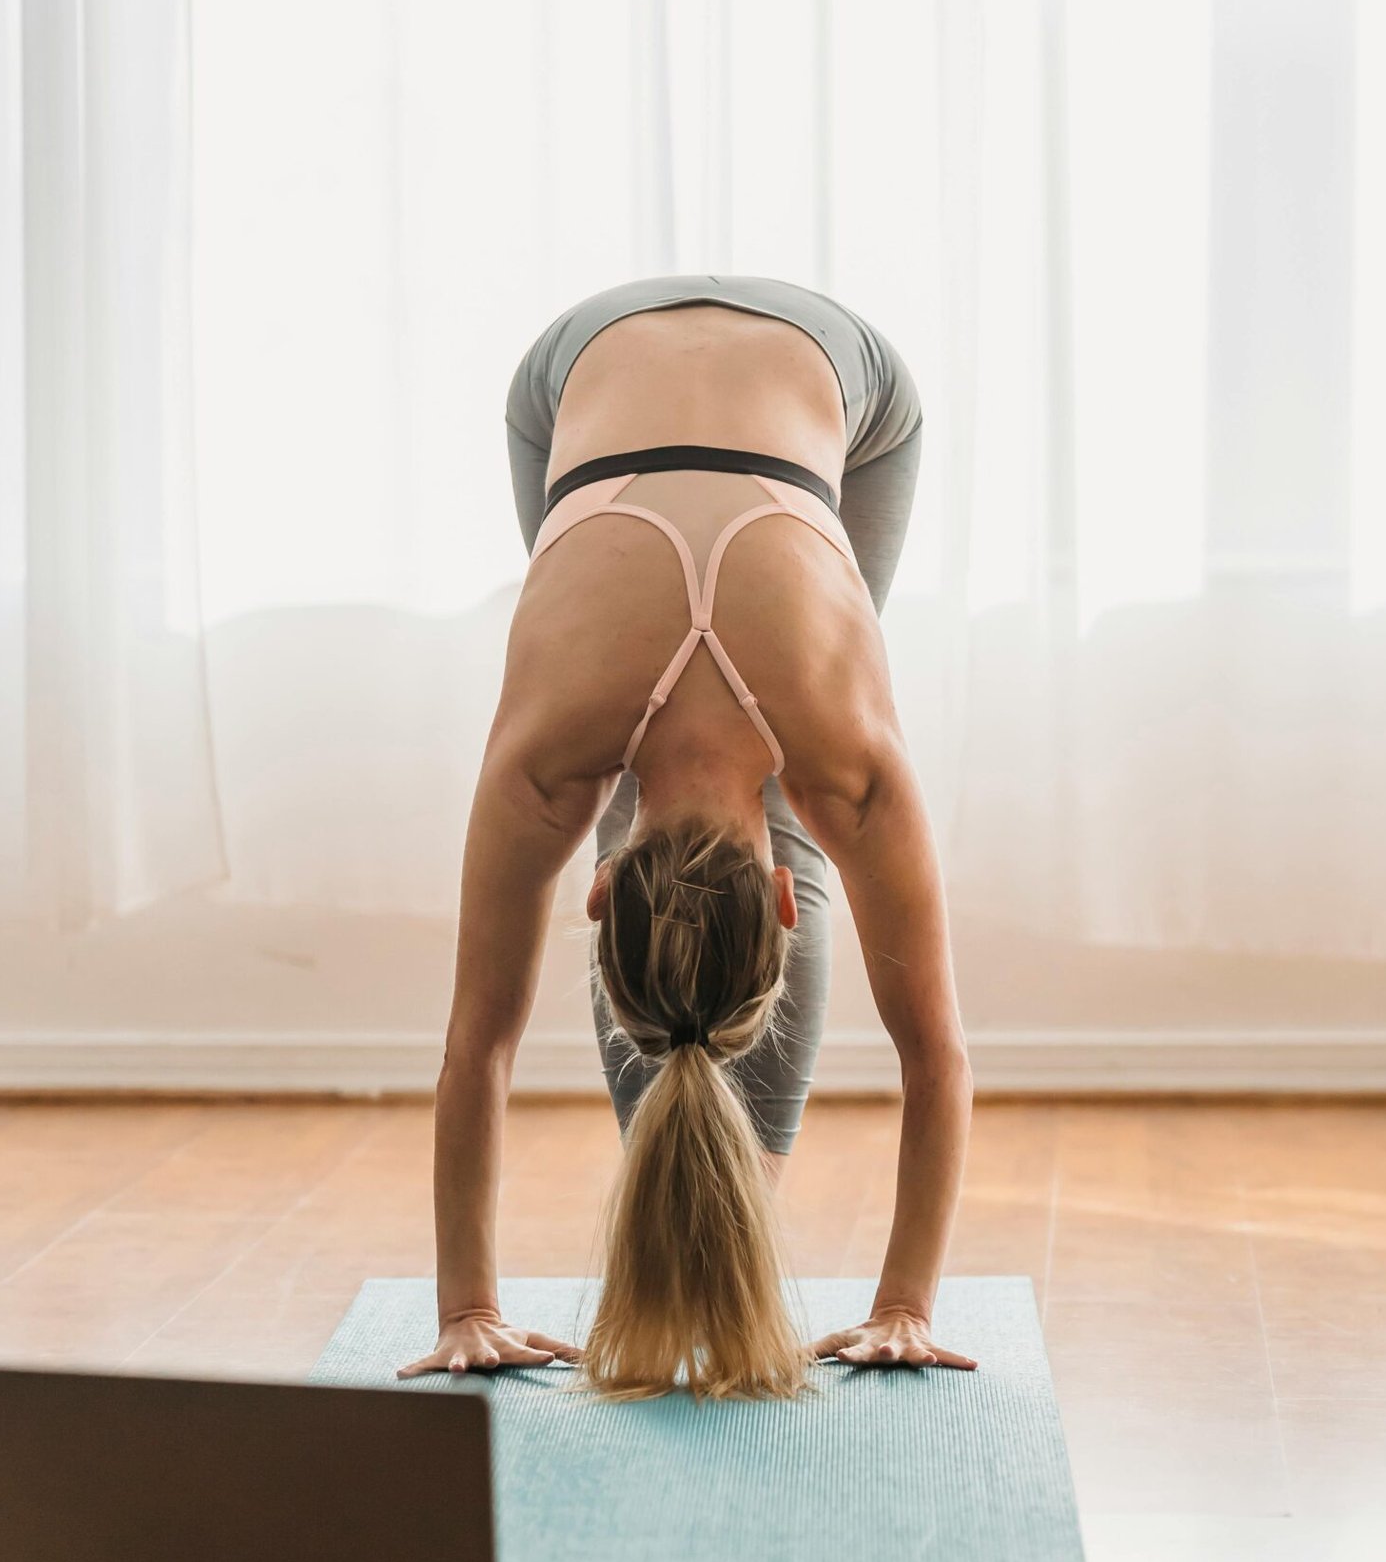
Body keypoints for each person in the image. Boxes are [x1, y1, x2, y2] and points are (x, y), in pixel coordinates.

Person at [398, 275, 975, 1397]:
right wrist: (902, 1307)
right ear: (601, 891)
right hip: (595, 373)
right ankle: (706, 1174)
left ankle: (720, 1178)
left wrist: (469, 1311)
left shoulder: (554, 761)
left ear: (596, 886)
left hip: (765, 372)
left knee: (728, 789)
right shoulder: (841, 758)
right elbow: (935, 1050)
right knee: (748, 784)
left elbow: (479, 1042)